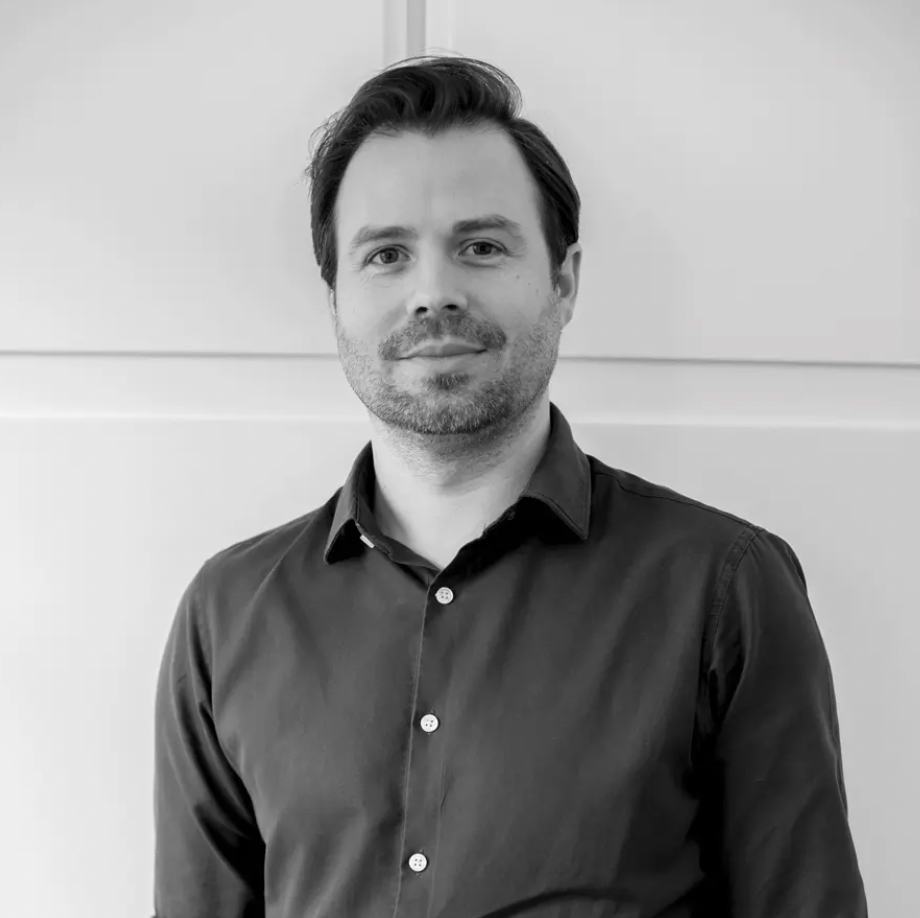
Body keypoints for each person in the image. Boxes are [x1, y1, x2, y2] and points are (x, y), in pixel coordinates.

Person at [152, 54, 868, 917]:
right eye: (386, 254)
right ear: (334, 296)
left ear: (563, 282)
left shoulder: (724, 587)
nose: (433, 293)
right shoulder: (227, 615)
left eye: (482, 247)